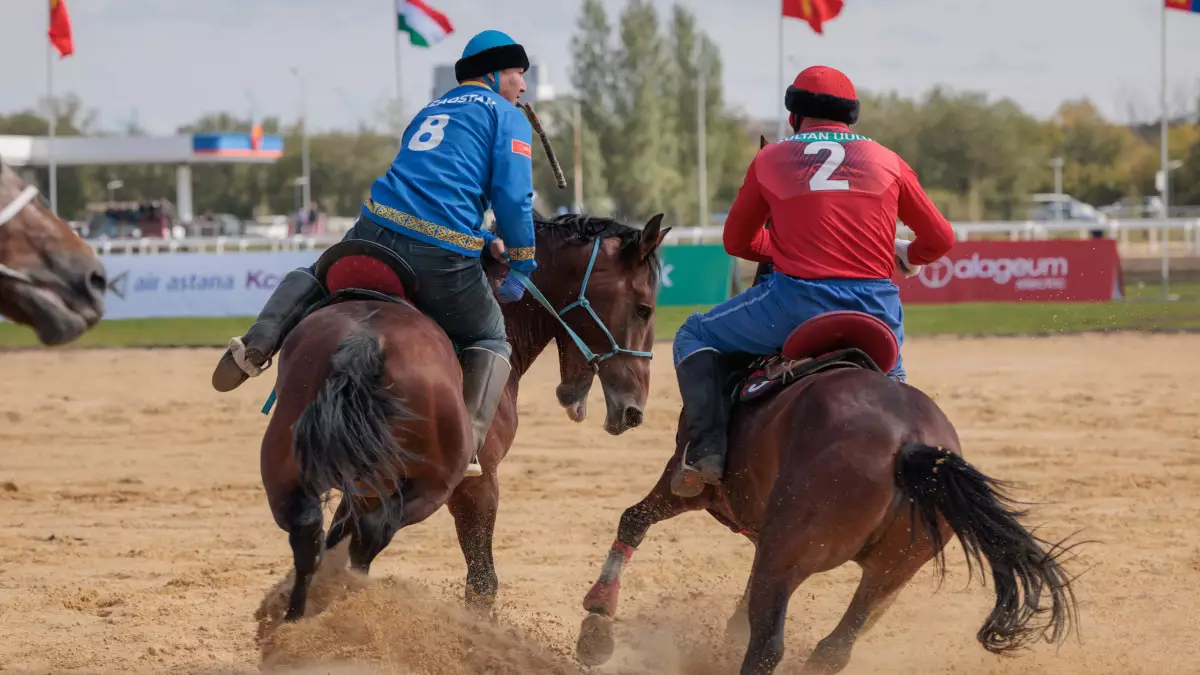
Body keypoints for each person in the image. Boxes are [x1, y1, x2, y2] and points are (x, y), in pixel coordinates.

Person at [210, 29, 538, 479]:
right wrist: (522, 260)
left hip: (373, 230)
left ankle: (255, 345)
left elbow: (430, 184)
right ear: (494, 72)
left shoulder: (429, 110)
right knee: (491, 337)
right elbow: (514, 198)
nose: (523, 86)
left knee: (317, 274)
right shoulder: (507, 116)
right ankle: (468, 446)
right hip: (439, 255)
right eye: (518, 73)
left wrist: (482, 238)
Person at [669, 65, 956, 498]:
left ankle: (707, 449)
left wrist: (783, 247)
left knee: (692, 333)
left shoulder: (770, 157)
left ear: (794, 117)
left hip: (795, 305)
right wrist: (907, 256)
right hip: (877, 310)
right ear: (850, 117)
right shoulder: (888, 159)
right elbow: (941, 239)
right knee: (897, 399)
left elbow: (737, 241)